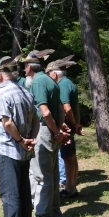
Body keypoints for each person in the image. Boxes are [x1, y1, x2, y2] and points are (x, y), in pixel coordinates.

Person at [0, 57, 40, 217]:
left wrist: (19, 140)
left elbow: (7, 122)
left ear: (0, 75)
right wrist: (31, 139)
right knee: (24, 192)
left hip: (7, 149)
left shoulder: (1, 93)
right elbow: (36, 119)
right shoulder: (25, 91)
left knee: (10, 195)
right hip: (23, 150)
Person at [22, 49, 68, 217]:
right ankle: (55, 213)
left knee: (41, 175)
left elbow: (45, 111)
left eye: (24, 66)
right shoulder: (51, 80)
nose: (23, 69)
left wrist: (55, 131)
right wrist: (58, 130)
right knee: (53, 174)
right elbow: (61, 110)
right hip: (52, 131)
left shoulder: (39, 82)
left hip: (44, 130)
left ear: (29, 67)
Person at [46, 57, 84, 199]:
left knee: (67, 157)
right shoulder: (69, 83)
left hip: (66, 126)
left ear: (54, 74)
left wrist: (73, 124)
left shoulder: (62, 85)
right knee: (72, 156)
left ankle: (69, 189)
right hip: (71, 125)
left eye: (49, 74)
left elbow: (67, 108)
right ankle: (72, 185)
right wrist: (77, 124)